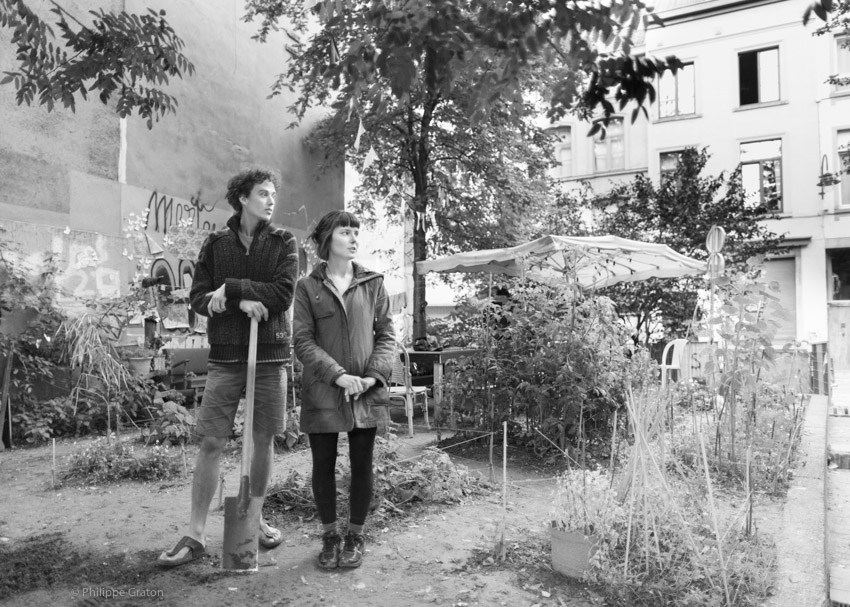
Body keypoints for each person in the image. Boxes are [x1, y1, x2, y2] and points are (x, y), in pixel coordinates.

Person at [157, 168, 299, 567]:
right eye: (262, 193)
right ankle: (196, 532)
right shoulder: (216, 244)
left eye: (273, 194)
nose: (271, 200)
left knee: (262, 440)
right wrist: (238, 301)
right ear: (242, 198)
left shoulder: (284, 241)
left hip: (270, 358)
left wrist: (232, 289)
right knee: (212, 441)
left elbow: (284, 294)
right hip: (225, 357)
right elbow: (200, 298)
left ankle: (252, 517)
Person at [292, 210, 395, 570]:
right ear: (327, 240)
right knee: (323, 464)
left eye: (356, 232)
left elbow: (387, 336)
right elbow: (302, 341)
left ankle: (355, 535)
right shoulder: (307, 287)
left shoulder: (373, 282)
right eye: (345, 232)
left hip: (365, 391)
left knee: (362, 464)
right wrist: (337, 375)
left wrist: (372, 377)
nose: (353, 238)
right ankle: (330, 535)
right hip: (323, 389)